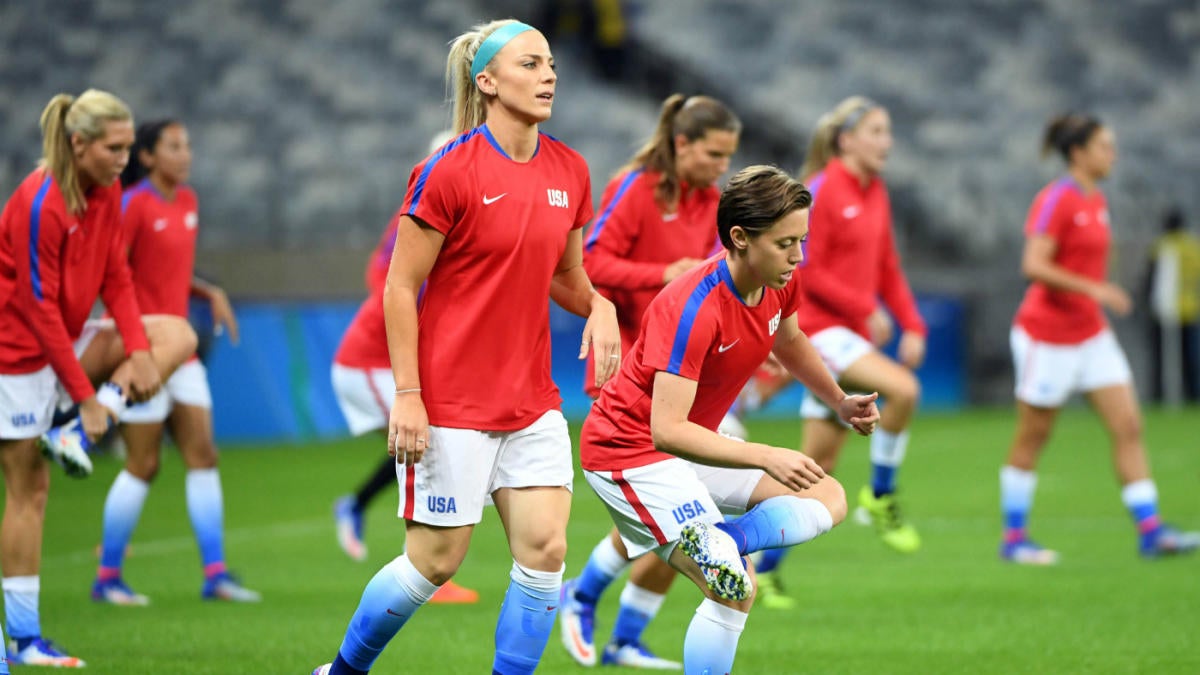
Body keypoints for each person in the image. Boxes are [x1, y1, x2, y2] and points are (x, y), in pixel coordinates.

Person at [312, 19, 620, 675]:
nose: (548, 77)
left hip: (533, 400)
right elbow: (401, 287)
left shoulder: (570, 168)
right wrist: (408, 397)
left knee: (545, 551)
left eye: (552, 67)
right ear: (487, 81)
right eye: (531, 64)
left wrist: (601, 304)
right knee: (434, 563)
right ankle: (341, 671)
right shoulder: (446, 171)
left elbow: (566, 277)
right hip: (448, 402)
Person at [581, 164, 879, 674]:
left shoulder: (778, 278)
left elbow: (790, 341)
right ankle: (700, 557)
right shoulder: (691, 307)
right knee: (735, 585)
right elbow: (666, 429)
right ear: (739, 238)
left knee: (828, 495)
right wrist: (764, 454)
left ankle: (728, 538)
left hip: (688, 447)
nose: (798, 256)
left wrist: (837, 400)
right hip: (629, 454)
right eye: (786, 243)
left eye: (802, 240)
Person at [0, 90, 197, 668]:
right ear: (77, 143)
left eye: (129, 146)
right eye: (114, 148)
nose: (124, 158)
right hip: (16, 360)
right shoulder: (40, 203)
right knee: (28, 492)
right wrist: (84, 395)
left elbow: (115, 271)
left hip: (66, 340)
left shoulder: (107, 190)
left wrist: (134, 352)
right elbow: (35, 309)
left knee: (175, 336)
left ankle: (73, 432)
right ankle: (21, 639)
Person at [560, 93, 740, 669]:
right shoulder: (637, 188)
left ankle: (621, 636)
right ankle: (585, 597)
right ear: (682, 143)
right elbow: (588, 261)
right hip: (625, 366)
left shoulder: (711, 201)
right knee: (683, 509)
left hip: (680, 374)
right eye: (714, 154)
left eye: (729, 156)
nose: (722, 168)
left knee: (687, 509)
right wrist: (662, 273)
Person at [1000, 113, 1200, 564]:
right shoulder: (1057, 199)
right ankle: (1014, 539)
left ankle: (1151, 532)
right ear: (1079, 153)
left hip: (1091, 335)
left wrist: (1093, 295)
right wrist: (1095, 289)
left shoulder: (1097, 199)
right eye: (1104, 146)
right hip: (1046, 337)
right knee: (1035, 434)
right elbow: (1034, 264)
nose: (1112, 154)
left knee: (1129, 425)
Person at [88, 119, 261, 606]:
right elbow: (112, 275)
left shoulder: (187, 202)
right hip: (143, 353)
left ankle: (216, 574)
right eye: (174, 146)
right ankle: (107, 577)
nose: (185, 154)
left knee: (203, 455)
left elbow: (171, 273)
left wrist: (210, 290)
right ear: (147, 157)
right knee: (143, 464)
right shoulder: (133, 205)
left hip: (181, 354)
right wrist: (129, 344)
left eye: (187, 145)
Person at [329, 169, 479, 604]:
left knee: (420, 447)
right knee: (423, 447)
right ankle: (423, 569)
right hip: (367, 363)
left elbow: (379, 274)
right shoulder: (423, 223)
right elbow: (392, 285)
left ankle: (360, 508)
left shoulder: (420, 223)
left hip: (381, 361)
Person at [1146, 207, 1200, 403]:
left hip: (1165, 310)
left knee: (1162, 357)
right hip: (1190, 308)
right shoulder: (1193, 246)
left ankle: (1160, 394)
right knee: (1191, 358)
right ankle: (1193, 395)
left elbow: (1151, 279)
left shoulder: (1162, 245)